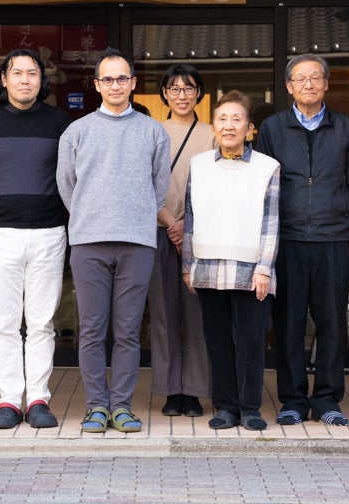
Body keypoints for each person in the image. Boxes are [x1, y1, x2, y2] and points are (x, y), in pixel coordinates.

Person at [254, 54, 349, 427]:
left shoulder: (344, 127)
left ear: (326, 83)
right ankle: (292, 400)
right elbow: (261, 184)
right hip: (287, 240)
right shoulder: (273, 128)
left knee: (330, 321)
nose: (308, 84)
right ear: (289, 86)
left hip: (334, 238)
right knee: (288, 323)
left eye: (315, 77)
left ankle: (326, 400)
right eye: (300, 78)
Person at [57, 48, 170, 434]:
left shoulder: (153, 131)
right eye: (108, 79)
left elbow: (159, 187)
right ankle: (96, 406)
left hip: (137, 241)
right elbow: (67, 186)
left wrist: (135, 216)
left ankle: (121, 405)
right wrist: (91, 214)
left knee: (127, 330)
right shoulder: (77, 132)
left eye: (123, 78)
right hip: (89, 241)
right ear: (97, 85)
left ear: (134, 83)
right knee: (91, 329)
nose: (115, 85)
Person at [0, 48, 72, 430]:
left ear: (42, 80)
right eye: (17, 73)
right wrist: (0, 204)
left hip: (48, 233)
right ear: (4, 79)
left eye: (32, 73)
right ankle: (9, 400)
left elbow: (70, 174)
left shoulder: (60, 122)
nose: (25, 79)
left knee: (42, 323)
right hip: (1, 234)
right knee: (5, 324)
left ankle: (38, 399)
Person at [182, 90, 281, 431]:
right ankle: (225, 407)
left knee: (251, 342)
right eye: (222, 119)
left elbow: (271, 222)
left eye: (236, 119)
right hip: (208, 268)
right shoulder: (199, 165)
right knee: (218, 342)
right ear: (213, 126)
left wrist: (264, 269)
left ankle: (250, 408)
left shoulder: (267, 167)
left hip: (251, 271)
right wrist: (187, 265)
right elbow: (190, 217)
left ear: (249, 128)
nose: (229, 126)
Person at [149, 65, 213, 418]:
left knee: (199, 315)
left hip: (201, 232)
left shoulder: (212, 133)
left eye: (189, 88)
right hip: (159, 230)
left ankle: (196, 390)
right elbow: (142, 183)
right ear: (164, 94)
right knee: (163, 313)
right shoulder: (151, 131)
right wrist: (171, 223)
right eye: (174, 89)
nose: (182, 95)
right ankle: (170, 389)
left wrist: (187, 222)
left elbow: (220, 184)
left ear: (199, 92)